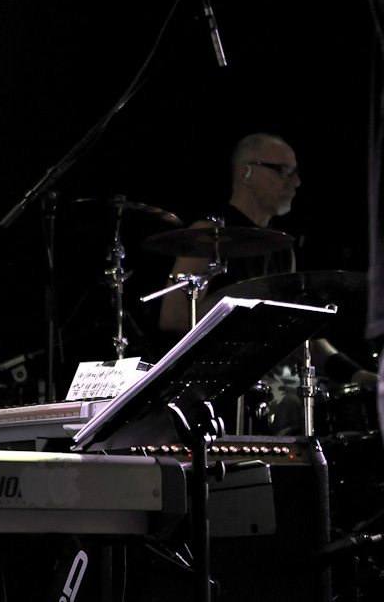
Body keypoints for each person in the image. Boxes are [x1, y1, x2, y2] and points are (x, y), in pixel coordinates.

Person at [157, 132, 377, 434]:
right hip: (217, 387)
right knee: (292, 407)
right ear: (245, 173)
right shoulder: (210, 235)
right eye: (284, 171)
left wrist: (355, 374)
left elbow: (298, 334)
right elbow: (174, 317)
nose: (296, 182)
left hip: (267, 380)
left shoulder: (281, 249)